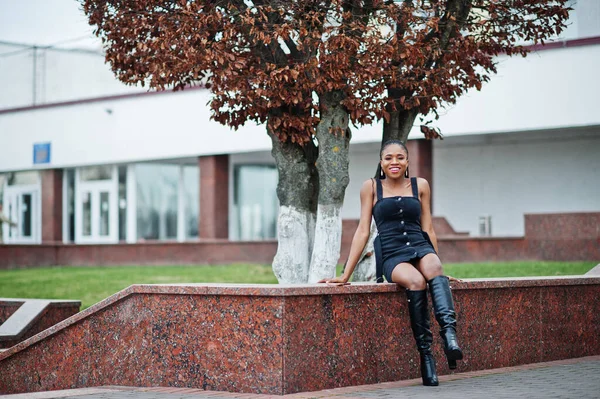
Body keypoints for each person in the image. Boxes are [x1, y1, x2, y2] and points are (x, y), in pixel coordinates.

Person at [319, 139, 463, 386]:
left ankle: (450, 336)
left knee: (433, 268)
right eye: (388, 158)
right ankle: (426, 356)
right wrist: (345, 275)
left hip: (421, 245)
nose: (394, 162)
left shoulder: (421, 185)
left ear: (407, 161)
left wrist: (438, 269)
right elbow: (363, 231)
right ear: (381, 163)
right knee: (416, 281)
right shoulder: (372, 187)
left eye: (399, 157)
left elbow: (428, 226)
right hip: (392, 252)